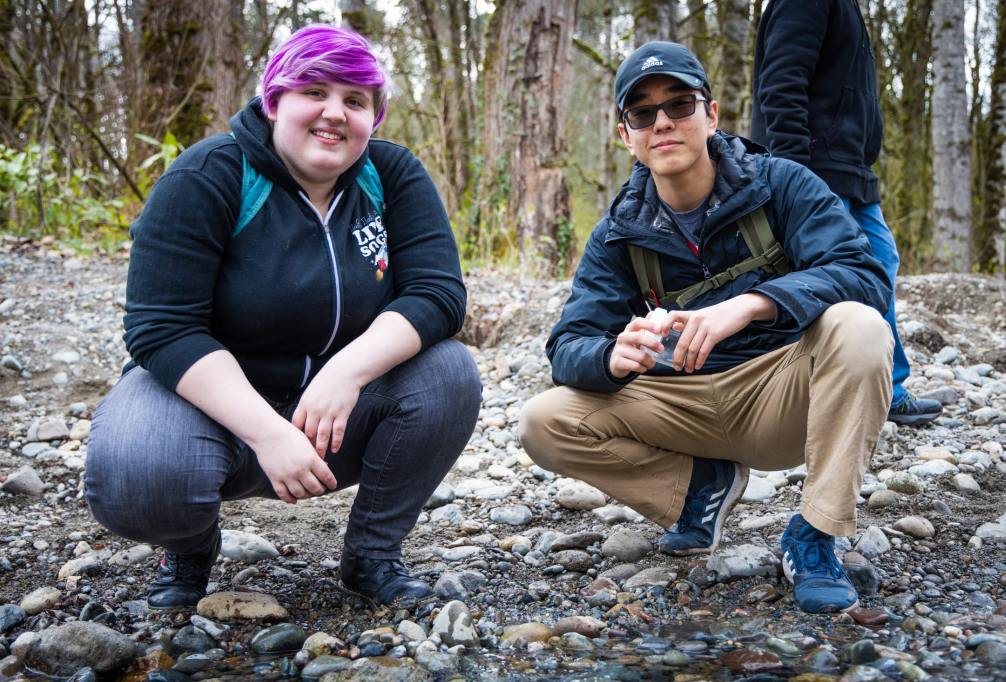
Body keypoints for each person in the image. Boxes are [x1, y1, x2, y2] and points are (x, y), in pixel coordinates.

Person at [85, 26, 481, 611]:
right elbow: (161, 327)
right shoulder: (207, 175)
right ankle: (189, 546)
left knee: (449, 372)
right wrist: (267, 434)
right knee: (136, 475)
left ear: (373, 118)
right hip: (212, 410)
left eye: (355, 100)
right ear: (273, 101)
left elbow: (438, 293)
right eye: (314, 92)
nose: (334, 113)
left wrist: (345, 373)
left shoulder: (392, 174)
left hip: (336, 415)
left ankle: (372, 554)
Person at [519, 41, 894, 613]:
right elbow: (568, 344)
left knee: (860, 327)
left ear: (711, 114)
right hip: (680, 408)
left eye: (679, 104)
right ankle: (699, 489)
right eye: (642, 113)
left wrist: (754, 303)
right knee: (543, 420)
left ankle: (815, 535)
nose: (662, 122)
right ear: (626, 136)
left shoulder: (782, 184)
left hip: (782, 395)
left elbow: (864, 275)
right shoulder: (618, 231)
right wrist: (609, 356)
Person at [750, 0, 941, 426]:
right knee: (831, 278)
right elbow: (781, 85)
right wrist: (793, 178)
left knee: (879, 263)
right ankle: (813, 394)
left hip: (850, 169)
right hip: (818, 170)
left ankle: (885, 388)